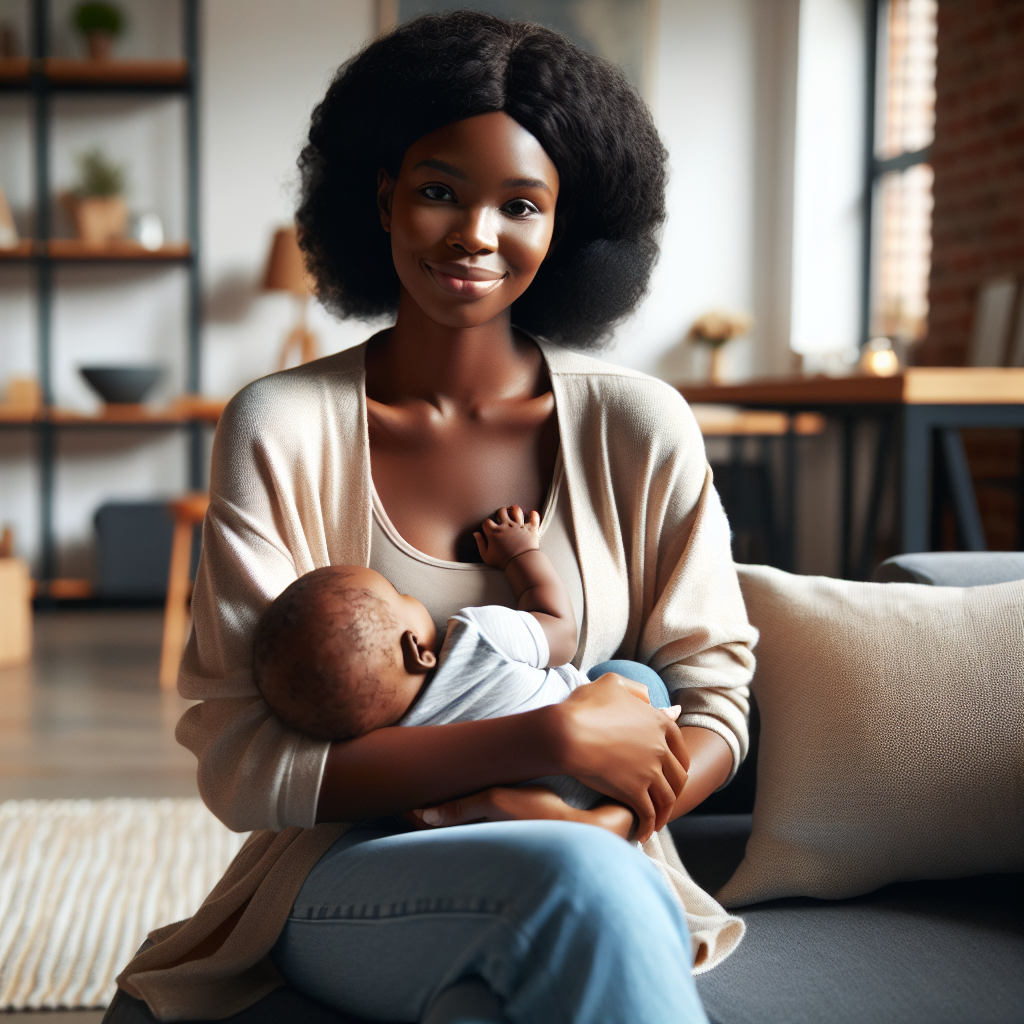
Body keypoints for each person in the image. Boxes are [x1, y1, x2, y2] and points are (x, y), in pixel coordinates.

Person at [115, 12, 757, 1024]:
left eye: (521, 205)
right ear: (380, 198)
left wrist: (596, 804)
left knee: (573, 867)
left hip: (607, 836)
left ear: (564, 225)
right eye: (438, 193)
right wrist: (548, 736)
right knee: (581, 888)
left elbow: (714, 704)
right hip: (347, 870)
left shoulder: (641, 424)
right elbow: (247, 765)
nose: (475, 234)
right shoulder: (279, 427)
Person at [253, 505, 680, 812]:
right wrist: (520, 555)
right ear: (417, 653)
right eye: (398, 593)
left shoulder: (401, 753)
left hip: (524, 822)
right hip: (620, 764)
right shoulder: (478, 638)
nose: (410, 593)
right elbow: (561, 631)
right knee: (622, 673)